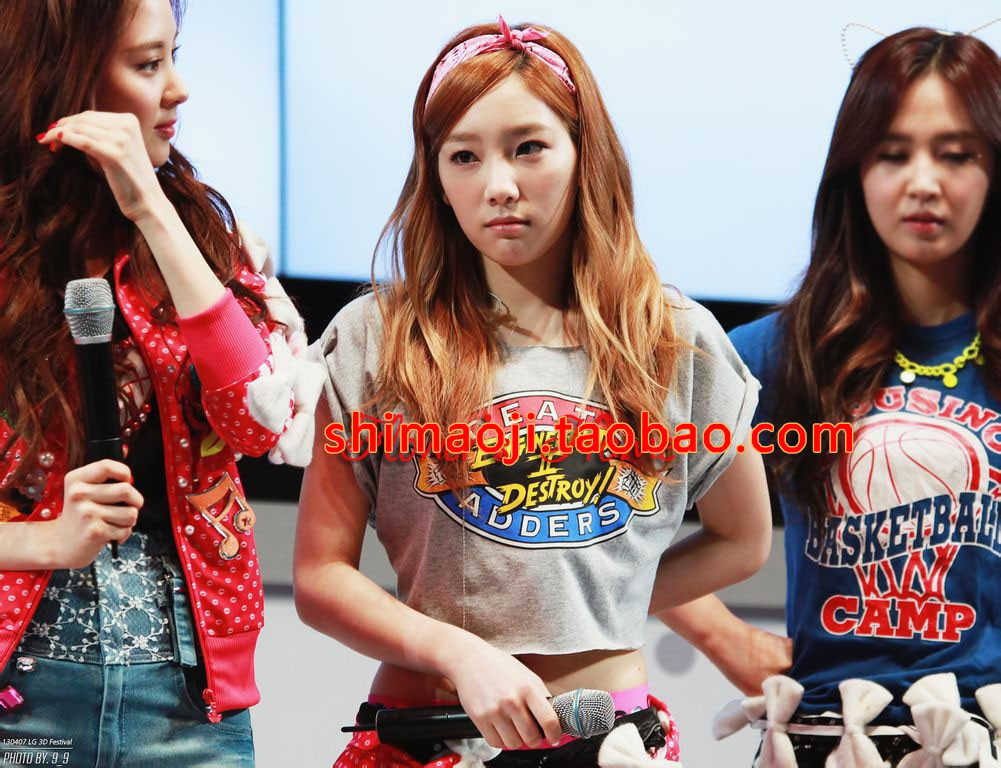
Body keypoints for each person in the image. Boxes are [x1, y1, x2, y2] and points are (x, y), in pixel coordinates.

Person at [296, 17, 772, 767]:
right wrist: (458, 651)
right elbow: (320, 576)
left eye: (528, 147)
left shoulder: (672, 339)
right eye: (464, 156)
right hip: (423, 738)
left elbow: (743, 540)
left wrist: (597, 601)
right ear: (436, 178)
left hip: (609, 740)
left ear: (585, 153)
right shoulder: (377, 337)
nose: (499, 186)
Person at [667, 27, 1001, 767]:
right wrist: (722, 636)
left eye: (956, 154)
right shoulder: (773, 355)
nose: (923, 182)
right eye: (893, 154)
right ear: (855, 171)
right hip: (825, 739)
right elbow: (597, 518)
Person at [0, 0, 321, 764]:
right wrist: (44, 539)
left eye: (175, 56)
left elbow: (260, 423)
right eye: (148, 64)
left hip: (184, 702)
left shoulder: (202, 235)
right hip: (18, 691)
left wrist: (151, 208)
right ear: (64, 77)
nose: (177, 88)